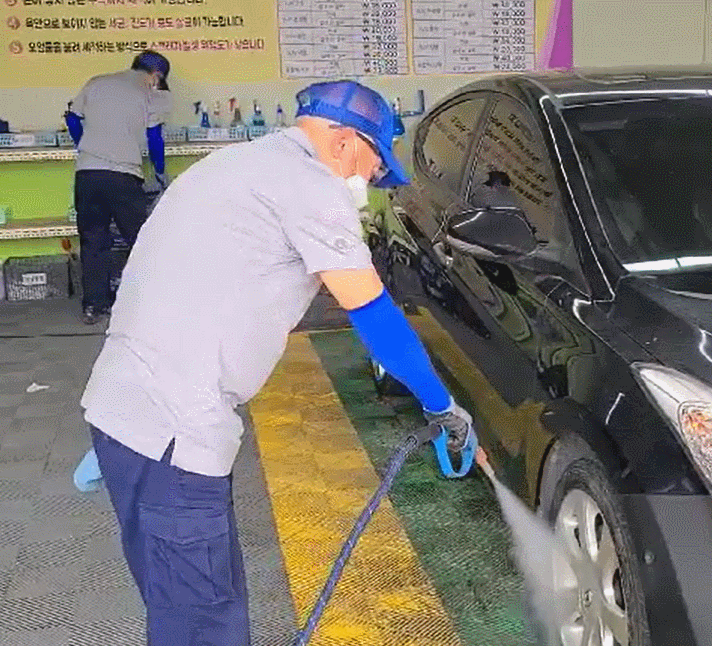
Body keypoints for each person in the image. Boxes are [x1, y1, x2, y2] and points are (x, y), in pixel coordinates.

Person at [78, 79, 474, 646]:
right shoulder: (311, 187)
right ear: (343, 143)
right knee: (203, 621)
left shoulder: (231, 166)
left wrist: (119, 429)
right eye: (371, 166)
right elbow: (377, 320)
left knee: (175, 605)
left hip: (123, 417)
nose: (368, 185)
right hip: (174, 434)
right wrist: (443, 406)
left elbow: (173, 288)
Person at [65, 50, 173, 325]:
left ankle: (94, 306)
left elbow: (73, 118)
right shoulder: (153, 94)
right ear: (156, 76)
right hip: (123, 176)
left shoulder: (97, 82)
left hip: (87, 173)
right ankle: (148, 303)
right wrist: (160, 172)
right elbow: (154, 137)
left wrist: (84, 147)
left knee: (93, 240)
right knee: (141, 240)